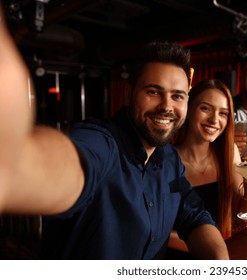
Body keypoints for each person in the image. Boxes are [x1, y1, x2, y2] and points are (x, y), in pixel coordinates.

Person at [0, 6, 228, 260]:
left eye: (177, 96)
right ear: (129, 94)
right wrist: (14, 164)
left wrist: (220, 263)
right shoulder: (101, 143)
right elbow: (70, 165)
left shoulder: (170, 160)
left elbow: (194, 216)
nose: (166, 106)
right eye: (153, 91)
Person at [168, 79, 247, 253]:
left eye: (223, 113)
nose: (214, 119)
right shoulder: (166, 160)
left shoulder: (229, 152)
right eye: (205, 108)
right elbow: (162, 232)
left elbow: (241, 215)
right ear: (188, 110)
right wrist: (212, 251)